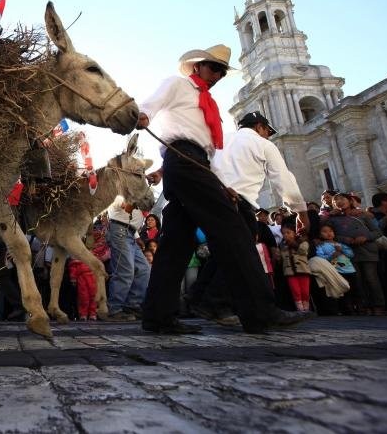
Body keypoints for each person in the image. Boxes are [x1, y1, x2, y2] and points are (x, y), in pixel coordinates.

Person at [137, 44, 311, 334]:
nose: (218, 74)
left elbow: (207, 151)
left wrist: (222, 184)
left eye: (221, 71)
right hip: (182, 159)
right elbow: (152, 103)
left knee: (176, 243)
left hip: (194, 163)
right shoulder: (178, 85)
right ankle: (260, 312)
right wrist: (143, 115)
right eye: (214, 67)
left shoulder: (208, 105)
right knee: (234, 232)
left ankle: (158, 316)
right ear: (198, 66)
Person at [190, 111, 310, 319]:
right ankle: (218, 302)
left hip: (212, 199)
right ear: (259, 127)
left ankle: (198, 298)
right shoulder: (263, 145)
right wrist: (300, 211)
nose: (267, 135)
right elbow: (283, 178)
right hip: (238, 203)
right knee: (242, 255)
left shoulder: (222, 139)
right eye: (267, 131)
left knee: (223, 253)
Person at [323, 193, 386, 315]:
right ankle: (364, 305)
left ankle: (379, 305)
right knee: (357, 280)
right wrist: (347, 240)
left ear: (350, 201)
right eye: (336, 200)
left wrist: (365, 237)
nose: (339, 201)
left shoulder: (362, 215)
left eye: (342, 198)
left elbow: (377, 232)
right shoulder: (333, 219)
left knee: (371, 278)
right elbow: (330, 235)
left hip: (367, 250)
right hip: (349, 253)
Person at [105, 196, 149, 321]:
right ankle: (114, 308)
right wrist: (124, 204)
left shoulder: (136, 191)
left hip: (129, 232)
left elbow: (129, 219)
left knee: (144, 269)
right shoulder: (123, 187)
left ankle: (132, 305)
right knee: (124, 271)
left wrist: (136, 236)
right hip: (120, 231)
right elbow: (118, 201)